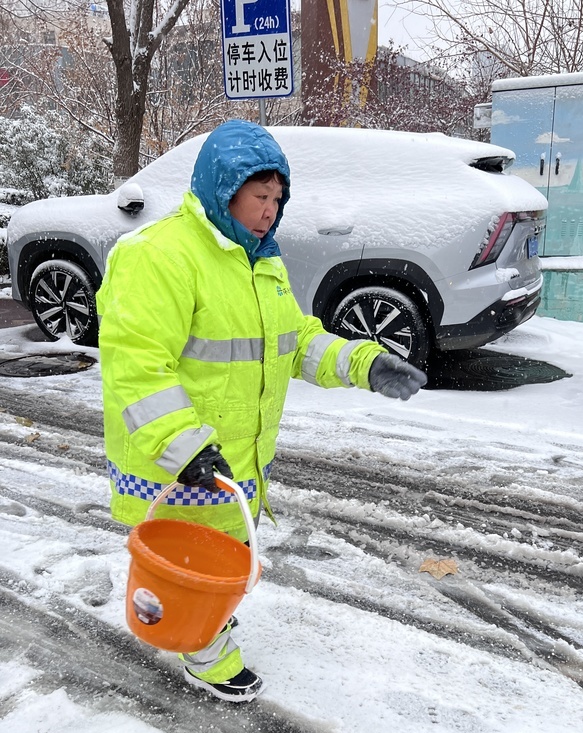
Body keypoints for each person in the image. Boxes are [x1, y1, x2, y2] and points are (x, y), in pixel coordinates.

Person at [97, 119, 426, 703]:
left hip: (234, 455)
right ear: (224, 190)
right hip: (178, 458)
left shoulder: (259, 261)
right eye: (259, 196)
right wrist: (185, 444)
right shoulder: (160, 255)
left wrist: (365, 364)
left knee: (226, 552)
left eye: (278, 198)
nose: (270, 210)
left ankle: (201, 622)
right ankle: (205, 649)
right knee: (198, 563)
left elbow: (294, 339)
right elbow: (136, 364)